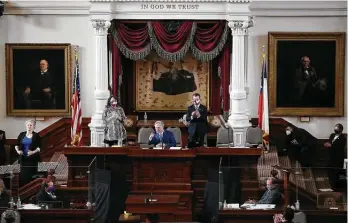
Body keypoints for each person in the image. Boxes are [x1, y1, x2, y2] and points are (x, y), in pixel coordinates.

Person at [15, 120, 41, 187]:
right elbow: (16, 145)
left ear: (33, 126)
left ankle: (29, 190)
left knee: (29, 176)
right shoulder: (21, 134)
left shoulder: (36, 135)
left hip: (32, 159)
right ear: (26, 126)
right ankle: (23, 191)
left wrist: (32, 152)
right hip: (22, 159)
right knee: (22, 176)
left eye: (31, 125)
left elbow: (39, 148)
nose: (29, 126)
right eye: (28, 125)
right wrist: (18, 151)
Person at [324, 123, 346, 190]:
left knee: (336, 173)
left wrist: (331, 146)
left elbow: (340, 147)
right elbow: (330, 142)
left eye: (337, 129)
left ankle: (336, 187)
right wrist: (327, 144)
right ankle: (331, 185)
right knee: (330, 172)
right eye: (335, 128)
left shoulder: (343, 138)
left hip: (338, 158)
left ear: (341, 130)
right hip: (330, 157)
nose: (335, 130)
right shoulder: (332, 135)